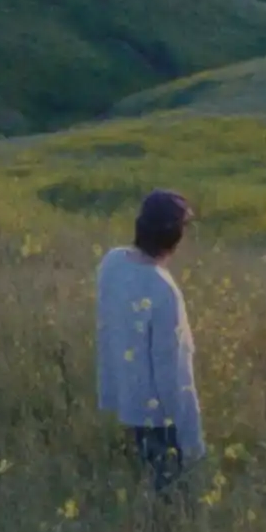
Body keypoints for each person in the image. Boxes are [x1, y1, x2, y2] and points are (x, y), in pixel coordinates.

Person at [96, 189, 206, 493]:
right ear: (175, 236)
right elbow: (173, 372)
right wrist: (192, 441)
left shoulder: (112, 261)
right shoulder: (162, 289)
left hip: (127, 400)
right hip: (159, 417)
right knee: (171, 495)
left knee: (143, 483)